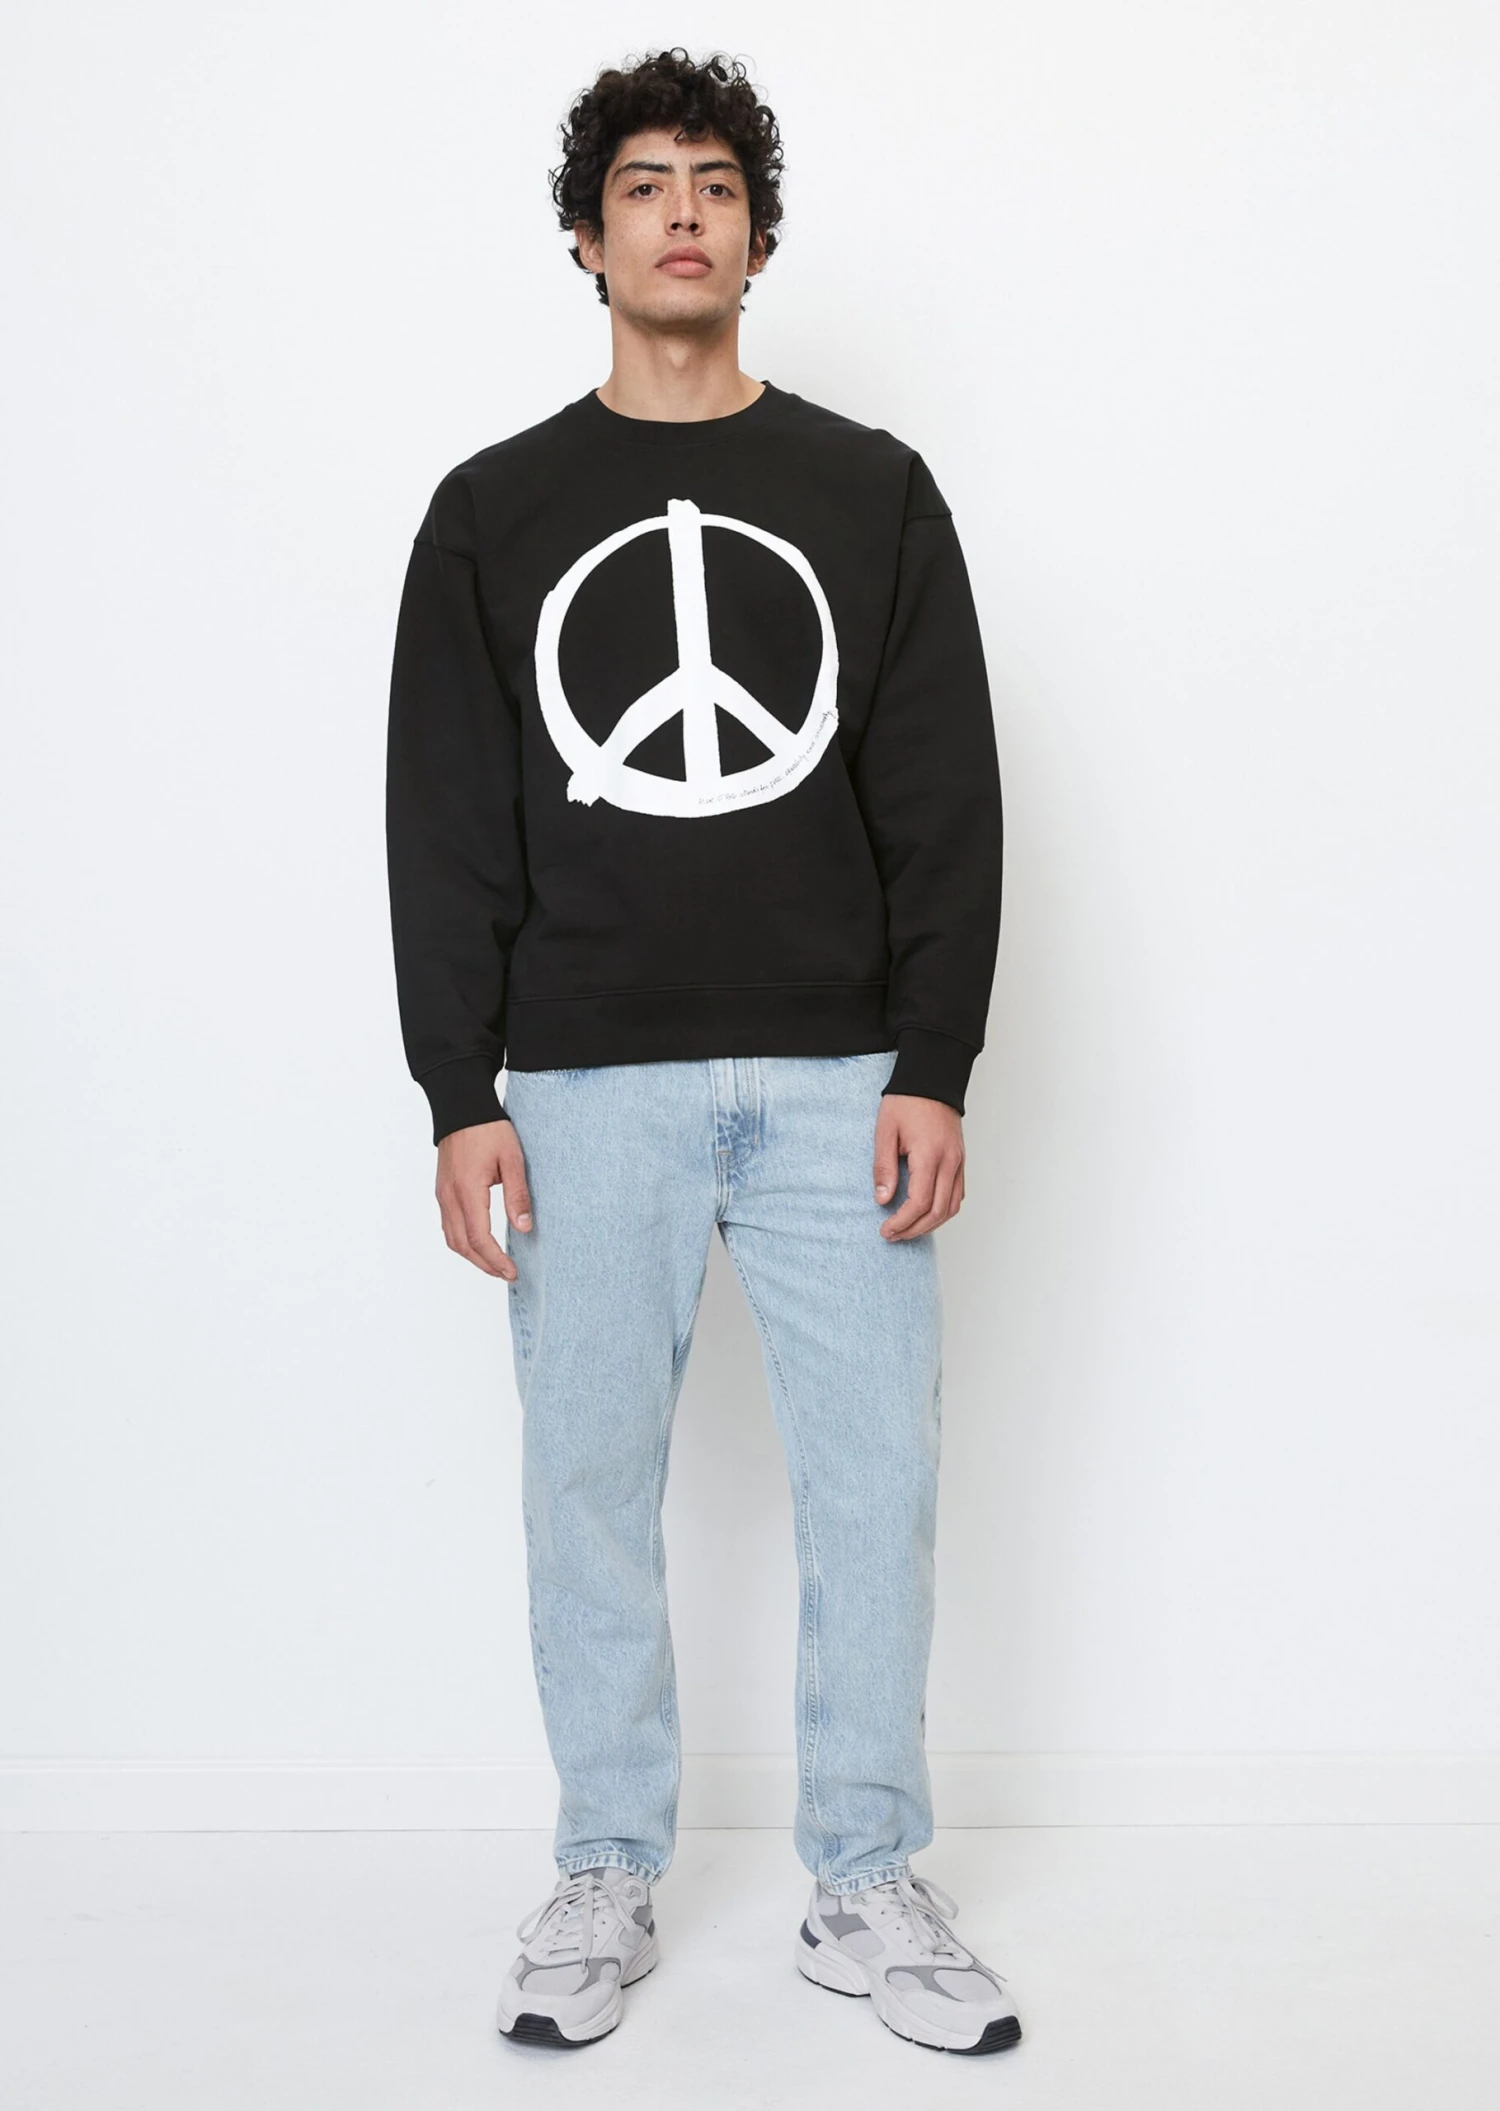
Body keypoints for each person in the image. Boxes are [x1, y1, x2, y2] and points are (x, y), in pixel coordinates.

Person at [384, 47, 1018, 2056]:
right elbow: (444, 818)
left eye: (718, 183)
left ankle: (866, 1875)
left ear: (756, 233)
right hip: (583, 1081)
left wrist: (937, 1059)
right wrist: (459, 1088)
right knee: (587, 1485)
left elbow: (944, 795)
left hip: (841, 1078)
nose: (683, 211)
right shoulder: (491, 513)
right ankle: (603, 1867)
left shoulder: (873, 493)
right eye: (645, 184)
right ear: (588, 239)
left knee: (874, 1482)